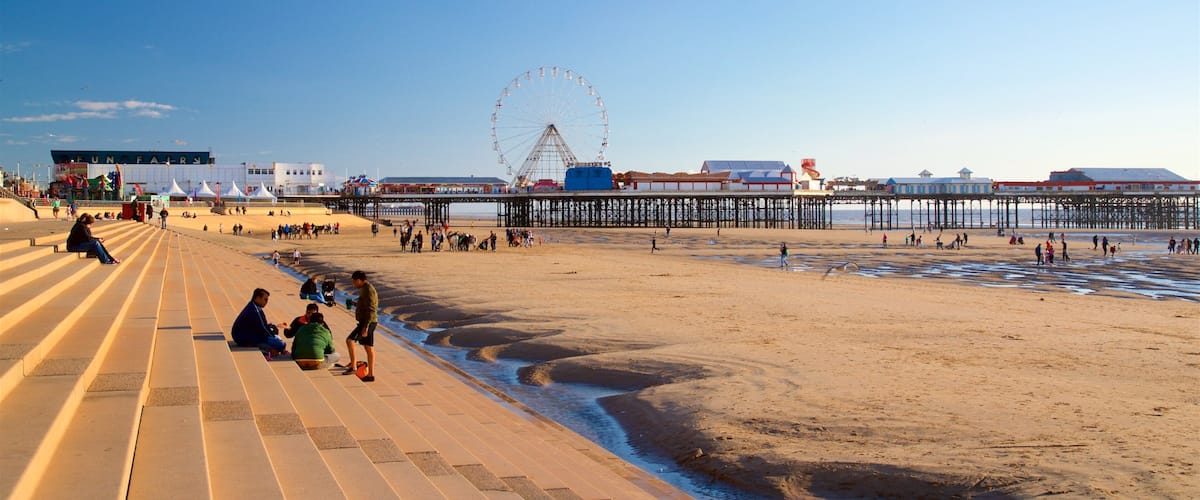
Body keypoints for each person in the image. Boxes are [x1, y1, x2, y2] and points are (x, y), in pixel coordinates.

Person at [231, 288, 289, 356]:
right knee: (280, 343)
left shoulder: (252, 306)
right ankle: (269, 349)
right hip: (243, 338)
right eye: (265, 299)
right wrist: (273, 337)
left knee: (274, 334)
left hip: (242, 336)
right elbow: (264, 328)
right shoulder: (256, 310)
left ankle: (269, 348)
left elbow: (261, 326)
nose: (266, 302)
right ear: (258, 298)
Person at [344, 270, 378, 382]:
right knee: (368, 347)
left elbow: (372, 309)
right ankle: (370, 375)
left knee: (350, 340)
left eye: (354, 281)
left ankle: (353, 367)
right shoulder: (364, 289)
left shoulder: (369, 290)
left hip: (368, 322)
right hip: (367, 321)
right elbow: (363, 304)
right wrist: (353, 304)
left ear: (360, 280)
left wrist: (366, 326)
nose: (354, 284)